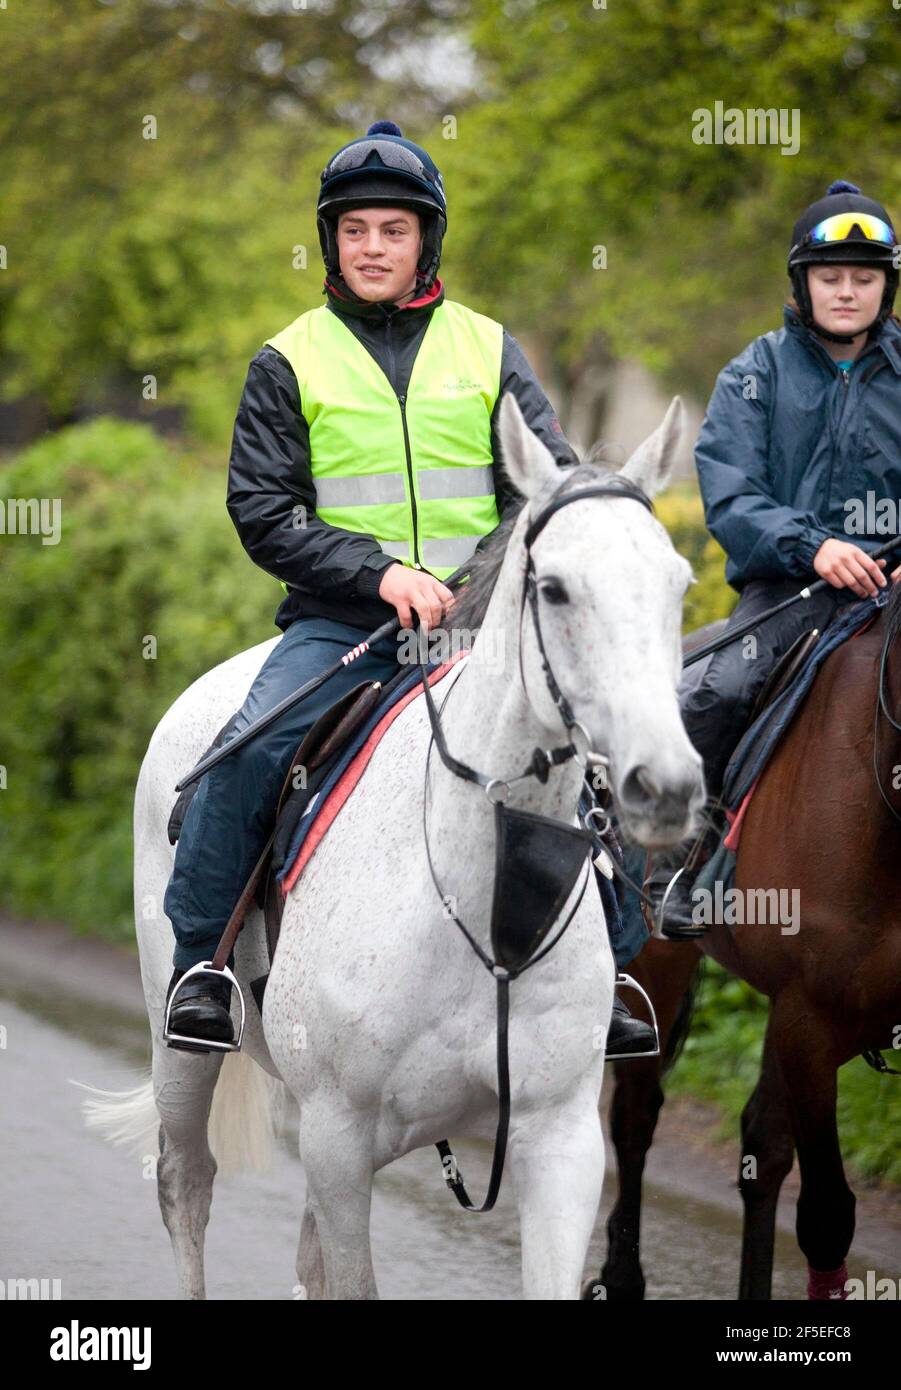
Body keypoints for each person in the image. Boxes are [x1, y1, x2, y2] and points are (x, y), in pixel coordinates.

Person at [163, 120, 653, 1053]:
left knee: (594, 748)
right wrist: (379, 573)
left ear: (425, 239)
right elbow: (264, 509)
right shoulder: (287, 358)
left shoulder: (486, 347)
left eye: (393, 230)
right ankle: (204, 969)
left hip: (481, 628)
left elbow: (540, 487)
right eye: (355, 231)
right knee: (245, 753)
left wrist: (472, 586)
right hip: (343, 624)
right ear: (330, 242)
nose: (374, 247)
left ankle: (616, 971)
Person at [658, 179, 901, 936]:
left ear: (885, 287)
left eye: (863, 278)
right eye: (830, 277)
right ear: (801, 283)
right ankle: (679, 870)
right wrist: (814, 545)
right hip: (789, 597)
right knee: (706, 695)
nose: (846, 291)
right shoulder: (752, 374)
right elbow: (730, 494)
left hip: (893, 594)